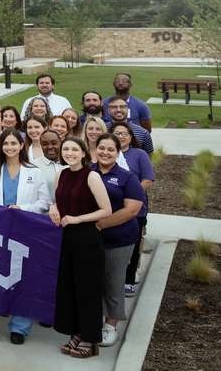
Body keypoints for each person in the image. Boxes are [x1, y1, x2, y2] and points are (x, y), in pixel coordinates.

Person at [0, 129, 51, 343]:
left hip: (25, 232)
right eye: (6, 143)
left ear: (21, 145)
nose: (9, 147)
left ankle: (20, 327)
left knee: (23, 279)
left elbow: (43, 202)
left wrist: (22, 208)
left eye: (13, 143)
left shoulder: (34, 172)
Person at [50, 136, 113, 357]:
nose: (69, 153)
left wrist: (77, 219)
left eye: (74, 149)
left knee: (88, 290)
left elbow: (106, 210)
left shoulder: (92, 176)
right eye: (66, 149)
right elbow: (57, 199)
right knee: (70, 289)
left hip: (87, 239)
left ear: (84, 153)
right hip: (66, 240)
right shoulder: (61, 174)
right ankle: (77, 332)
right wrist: (53, 208)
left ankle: (91, 338)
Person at [92, 133, 145, 348]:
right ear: (95, 150)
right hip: (89, 240)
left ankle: (111, 325)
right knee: (93, 281)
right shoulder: (88, 172)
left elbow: (132, 209)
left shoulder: (126, 177)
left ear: (118, 152)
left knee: (113, 281)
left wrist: (100, 224)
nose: (105, 152)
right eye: (101, 148)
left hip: (118, 239)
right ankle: (92, 320)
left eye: (110, 149)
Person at [112, 123, 154, 295]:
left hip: (135, 209)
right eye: (117, 133)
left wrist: (130, 196)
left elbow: (148, 179)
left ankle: (128, 280)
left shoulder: (139, 154)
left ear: (130, 137)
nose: (121, 136)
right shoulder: (106, 152)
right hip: (111, 209)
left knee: (133, 244)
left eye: (124, 133)